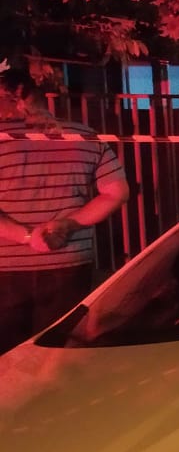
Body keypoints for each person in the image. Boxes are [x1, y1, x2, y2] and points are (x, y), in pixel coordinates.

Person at [0, 58, 130, 354]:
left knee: (7, 359)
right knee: (60, 354)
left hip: (5, 269)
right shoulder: (82, 135)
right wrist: (69, 225)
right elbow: (117, 192)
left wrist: (27, 237)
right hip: (70, 263)